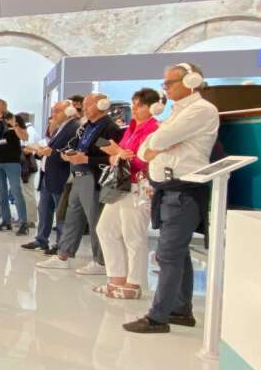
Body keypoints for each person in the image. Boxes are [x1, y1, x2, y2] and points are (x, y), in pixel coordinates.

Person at [124, 64, 220, 334]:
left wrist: (156, 145)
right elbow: (144, 150)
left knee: (167, 255)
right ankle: (180, 309)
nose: (165, 88)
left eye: (170, 83)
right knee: (178, 253)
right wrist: (155, 145)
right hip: (169, 191)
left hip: (184, 192)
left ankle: (158, 317)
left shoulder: (201, 110)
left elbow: (157, 142)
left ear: (192, 81)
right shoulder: (178, 112)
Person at [36, 92, 122, 273]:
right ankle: (63, 255)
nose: (84, 108)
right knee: (72, 218)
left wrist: (87, 159)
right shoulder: (86, 127)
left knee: (95, 220)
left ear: (102, 105)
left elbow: (113, 157)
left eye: (88, 105)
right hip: (78, 176)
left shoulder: (110, 128)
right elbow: (75, 145)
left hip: (94, 178)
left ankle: (100, 261)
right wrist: (68, 154)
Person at [94, 89, 162, 299]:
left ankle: (134, 283)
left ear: (152, 107)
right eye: (134, 104)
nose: (134, 109)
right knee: (105, 229)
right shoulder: (131, 128)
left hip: (139, 187)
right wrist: (117, 154)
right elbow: (120, 156)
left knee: (133, 236)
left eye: (139, 105)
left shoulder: (155, 129)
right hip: (121, 185)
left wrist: (121, 155)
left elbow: (146, 159)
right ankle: (116, 278)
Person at [23, 101, 79, 253]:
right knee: (44, 210)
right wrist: (42, 151)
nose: (53, 114)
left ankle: (61, 245)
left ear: (68, 111)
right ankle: (41, 240)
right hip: (48, 175)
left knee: (61, 213)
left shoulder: (74, 127)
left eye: (57, 111)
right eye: (53, 111)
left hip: (60, 175)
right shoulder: (60, 128)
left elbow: (71, 150)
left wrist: (51, 152)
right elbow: (53, 147)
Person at [0, 99, 29, 235]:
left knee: (16, 191)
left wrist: (14, 124)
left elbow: (25, 137)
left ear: (4, 108)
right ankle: (6, 221)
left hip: (12, 161)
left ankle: (23, 223)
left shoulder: (17, 119)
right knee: (1, 193)